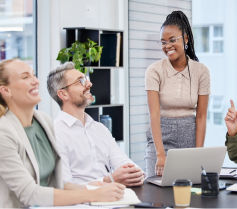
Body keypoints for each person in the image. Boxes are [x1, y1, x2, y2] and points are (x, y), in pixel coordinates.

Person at [0, 59, 125, 208]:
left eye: (34, 75)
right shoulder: (4, 132)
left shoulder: (43, 121)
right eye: (25, 77)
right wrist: (93, 194)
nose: (35, 81)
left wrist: (95, 187)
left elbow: (58, 183)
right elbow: (30, 194)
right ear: (6, 91)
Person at [47, 62, 145, 186]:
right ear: (63, 94)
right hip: (83, 204)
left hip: (113, 198)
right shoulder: (55, 134)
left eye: (86, 79)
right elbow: (64, 187)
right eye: (80, 81)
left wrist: (134, 173)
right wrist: (108, 181)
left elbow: (122, 161)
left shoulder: (100, 129)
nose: (89, 84)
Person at [145, 11, 210, 177]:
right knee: (156, 196)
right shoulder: (154, 71)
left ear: (185, 39)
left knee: (188, 195)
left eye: (172, 40)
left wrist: (198, 153)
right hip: (161, 139)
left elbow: (201, 116)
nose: (167, 46)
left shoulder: (201, 71)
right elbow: (154, 114)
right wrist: (160, 154)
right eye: (163, 42)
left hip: (190, 137)